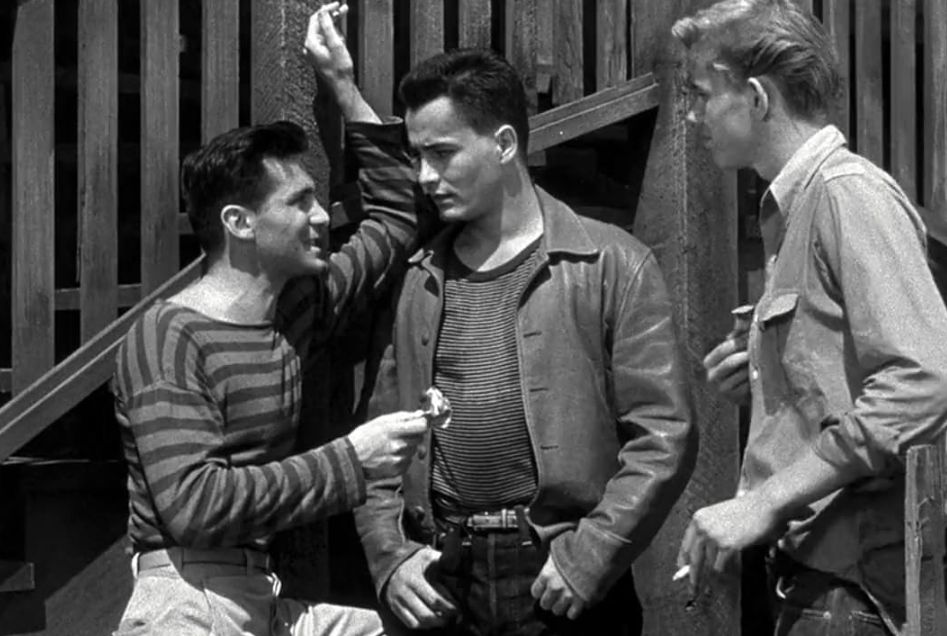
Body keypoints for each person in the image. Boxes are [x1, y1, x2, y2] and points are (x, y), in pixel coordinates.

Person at [353, 48, 697, 636]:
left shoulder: (611, 262)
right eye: (417, 157)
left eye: (442, 153)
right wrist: (391, 557)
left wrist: (592, 557)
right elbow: (377, 442)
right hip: (440, 577)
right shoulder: (417, 277)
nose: (425, 177)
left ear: (506, 144)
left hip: (558, 577)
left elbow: (665, 435)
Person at [111, 5, 428, 634]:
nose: (320, 217)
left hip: (261, 592)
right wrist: (353, 462)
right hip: (188, 594)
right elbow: (195, 505)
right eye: (300, 201)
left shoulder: (300, 306)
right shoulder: (167, 336)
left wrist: (340, 80)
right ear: (239, 223)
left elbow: (395, 215)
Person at [671, 1, 947, 634]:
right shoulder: (793, 209)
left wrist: (765, 501)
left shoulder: (846, 195)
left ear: (759, 97)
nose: (691, 115)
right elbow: (846, 377)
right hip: (817, 582)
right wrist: (768, 369)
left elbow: (924, 377)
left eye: (701, 94)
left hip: (850, 593)